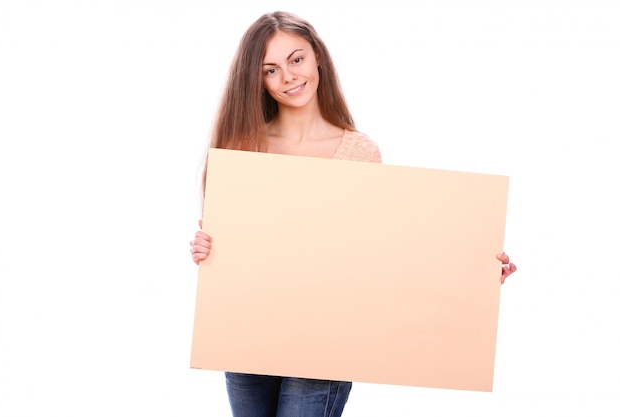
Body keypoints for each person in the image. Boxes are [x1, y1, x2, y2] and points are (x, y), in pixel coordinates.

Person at [189, 11, 517, 417]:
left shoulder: (360, 152)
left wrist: (473, 273)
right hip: (248, 333)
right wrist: (206, 247)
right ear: (257, 80)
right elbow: (229, 244)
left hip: (327, 340)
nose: (289, 77)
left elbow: (387, 254)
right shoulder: (242, 146)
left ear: (318, 59)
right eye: (270, 69)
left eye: (297, 59)